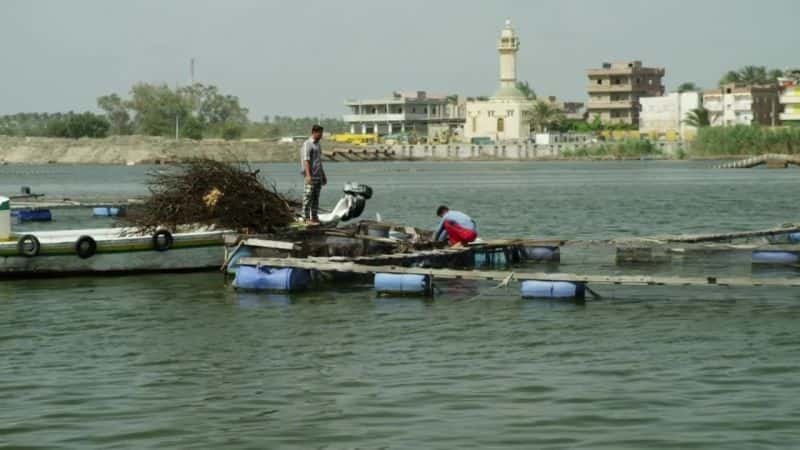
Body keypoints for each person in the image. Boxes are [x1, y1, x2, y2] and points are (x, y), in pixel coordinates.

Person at [301, 125, 327, 224]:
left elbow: (319, 161)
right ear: (314, 132)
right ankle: (306, 218)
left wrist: (323, 175)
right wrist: (308, 175)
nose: (321, 135)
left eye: (321, 133)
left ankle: (314, 217)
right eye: (320, 133)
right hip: (310, 176)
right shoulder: (307, 144)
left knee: (316, 198)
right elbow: (306, 160)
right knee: (307, 197)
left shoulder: (318, 145)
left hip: (318, 176)